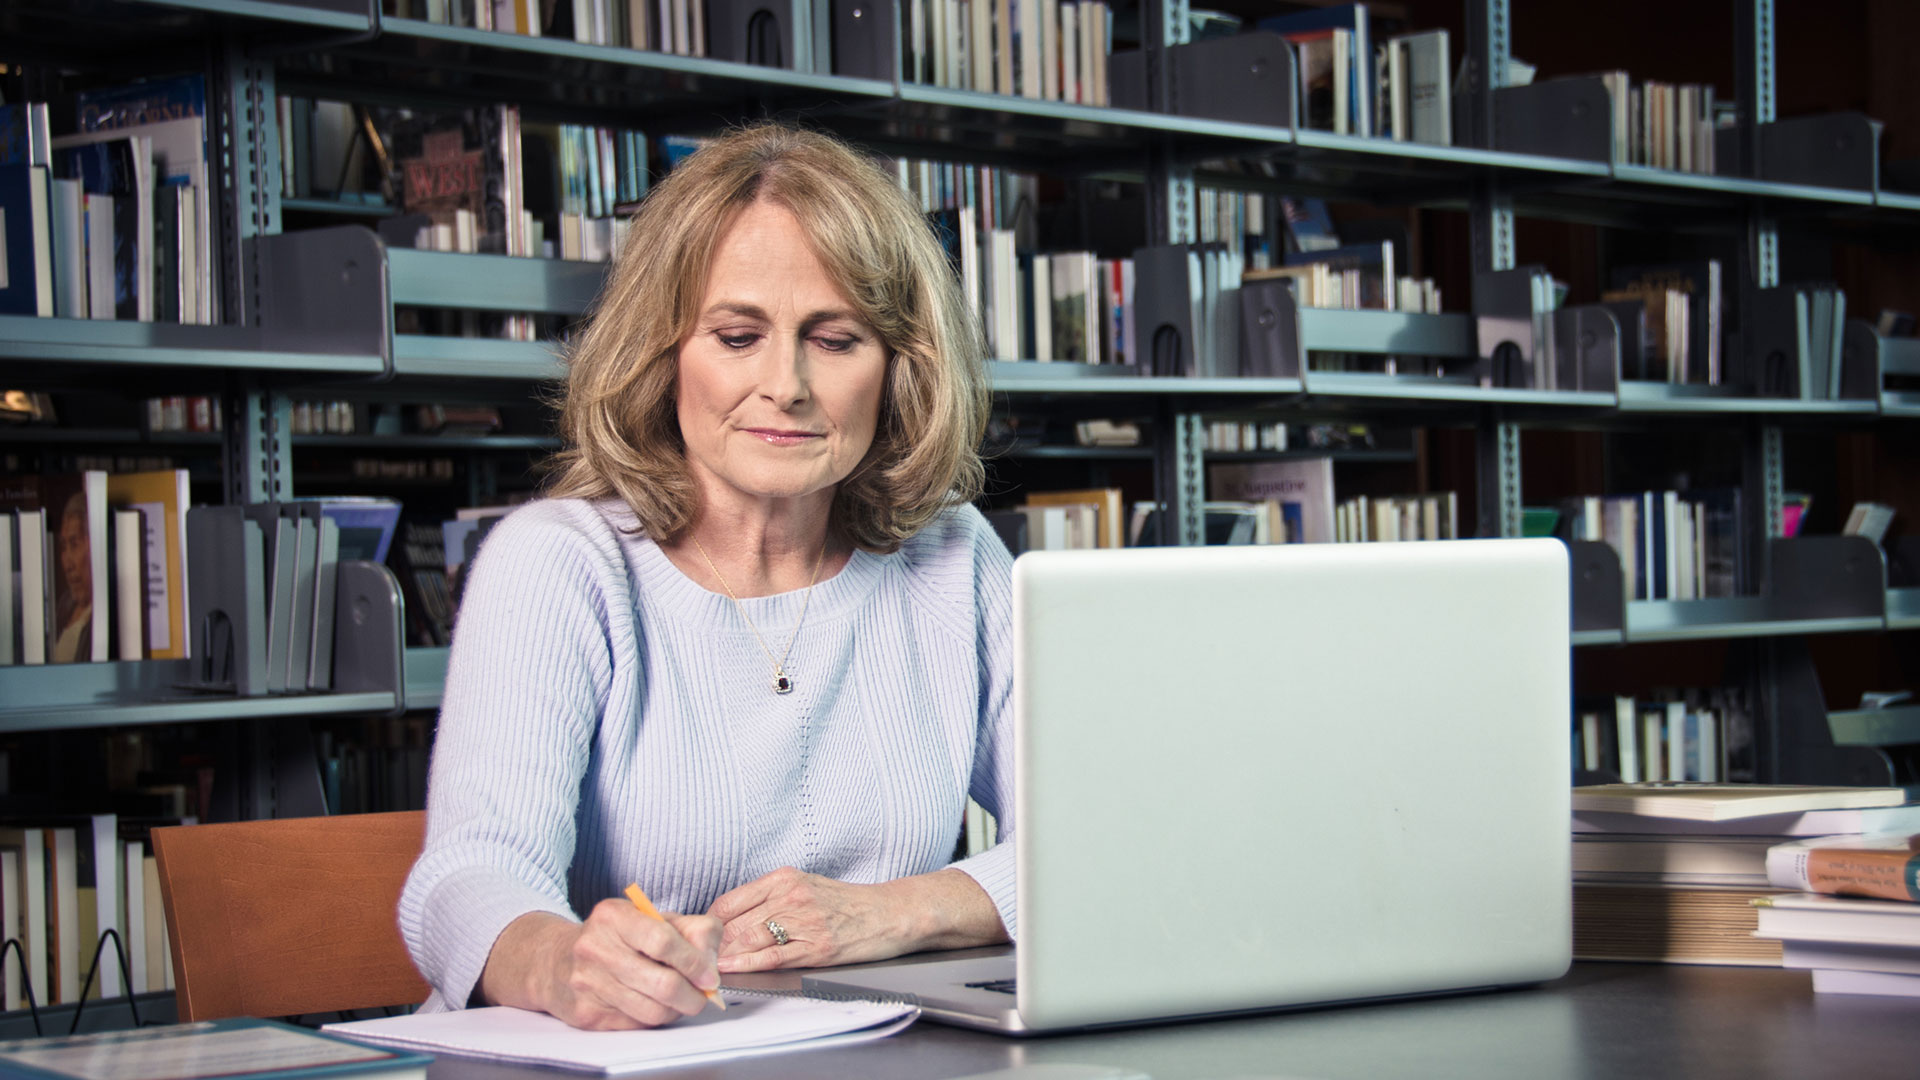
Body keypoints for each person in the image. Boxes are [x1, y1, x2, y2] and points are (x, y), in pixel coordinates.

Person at [399, 122, 1017, 1031]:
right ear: (662, 353)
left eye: (836, 339)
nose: (788, 385)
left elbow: (1112, 832)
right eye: (737, 336)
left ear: (898, 368)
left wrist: (895, 911)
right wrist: (565, 962)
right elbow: (468, 874)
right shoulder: (561, 562)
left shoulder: (954, 556)